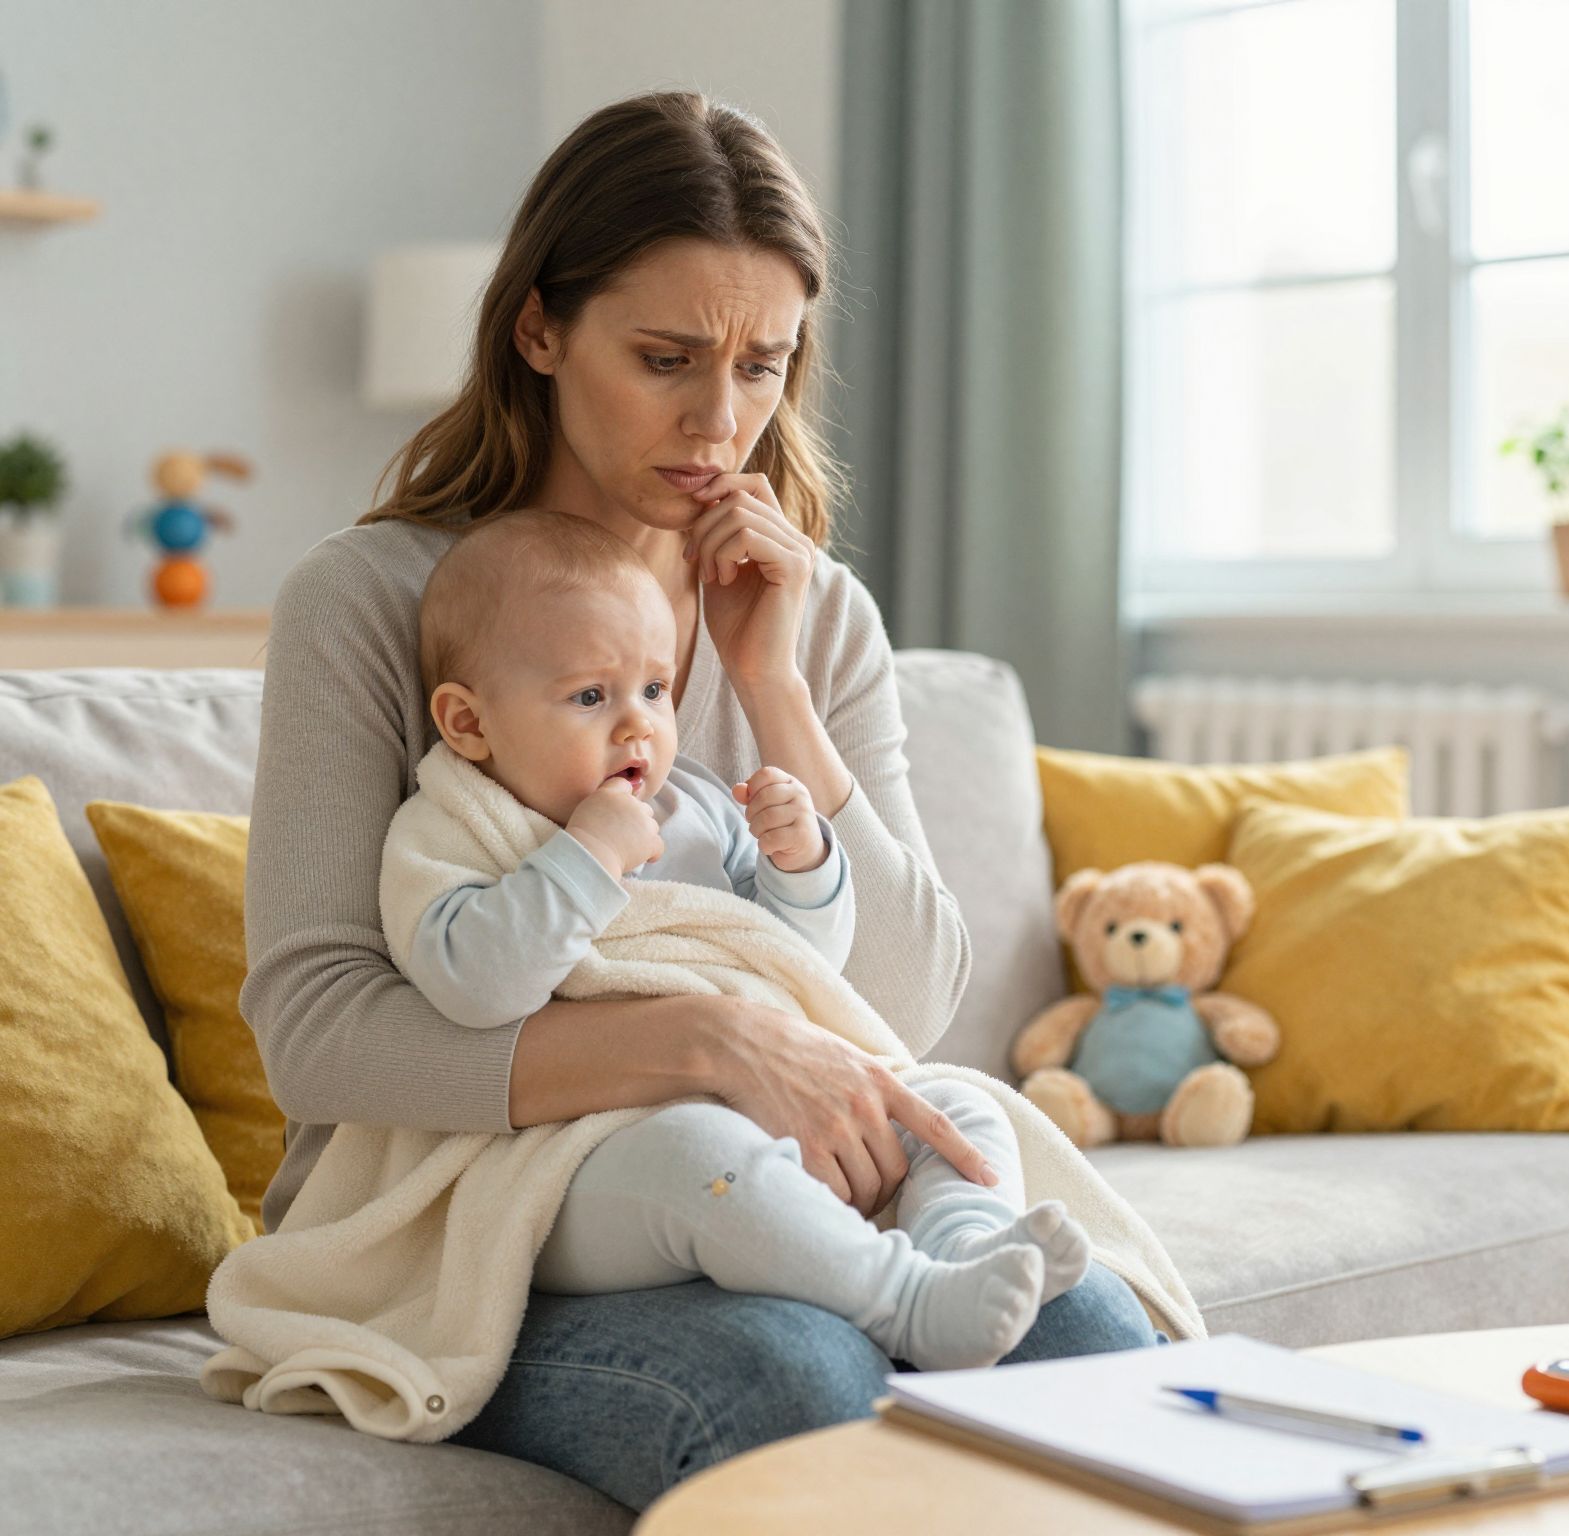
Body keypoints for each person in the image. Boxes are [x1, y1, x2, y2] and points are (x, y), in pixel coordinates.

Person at [241, 90, 1157, 1512]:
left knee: (1087, 1330)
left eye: (763, 366)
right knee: (794, 1379)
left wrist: (771, 684)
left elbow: (904, 1005)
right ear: (540, 331)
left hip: (779, 1188)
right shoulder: (371, 606)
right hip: (464, 1226)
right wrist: (709, 1043)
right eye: (664, 359)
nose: (719, 423)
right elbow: (317, 1037)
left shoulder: (814, 614)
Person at [383, 509, 1089, 1371]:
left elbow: (795, 965)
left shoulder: (698, 806)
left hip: (764, 1114)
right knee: (699, 1158)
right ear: (468, 724)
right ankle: (903, 1300)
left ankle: (965, 1250)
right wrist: (588, 856)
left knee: (955, 1104)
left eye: (653, 689)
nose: (638, 726)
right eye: (590, 697)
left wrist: (804, 866)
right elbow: (474, 985)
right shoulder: (453, 829)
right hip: (574, 1165)